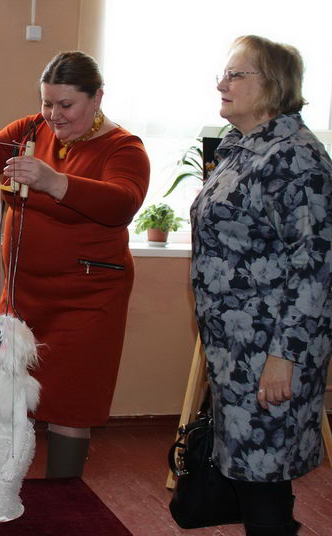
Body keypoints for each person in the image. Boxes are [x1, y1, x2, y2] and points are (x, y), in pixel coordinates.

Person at [0, 51, 149, 478]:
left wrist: (53, 181)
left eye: (65, 104)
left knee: (69, 402)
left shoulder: (124, 148)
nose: (53, 115)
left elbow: (122, 202)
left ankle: (64, 499)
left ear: (97, 98)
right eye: (47, 102)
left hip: (86, 301)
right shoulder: (32, 130)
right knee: (6, 393)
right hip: (22, 296)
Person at [191, 35, 332, 535]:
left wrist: (283, 356)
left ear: (272, 85)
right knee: (257, 467)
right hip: (236, 346)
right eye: (224, 74)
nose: (222, 84)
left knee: (263, 469)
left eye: (236, 75)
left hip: (269, 346)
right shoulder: (242, 148)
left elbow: (316, 267)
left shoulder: (296, 159)